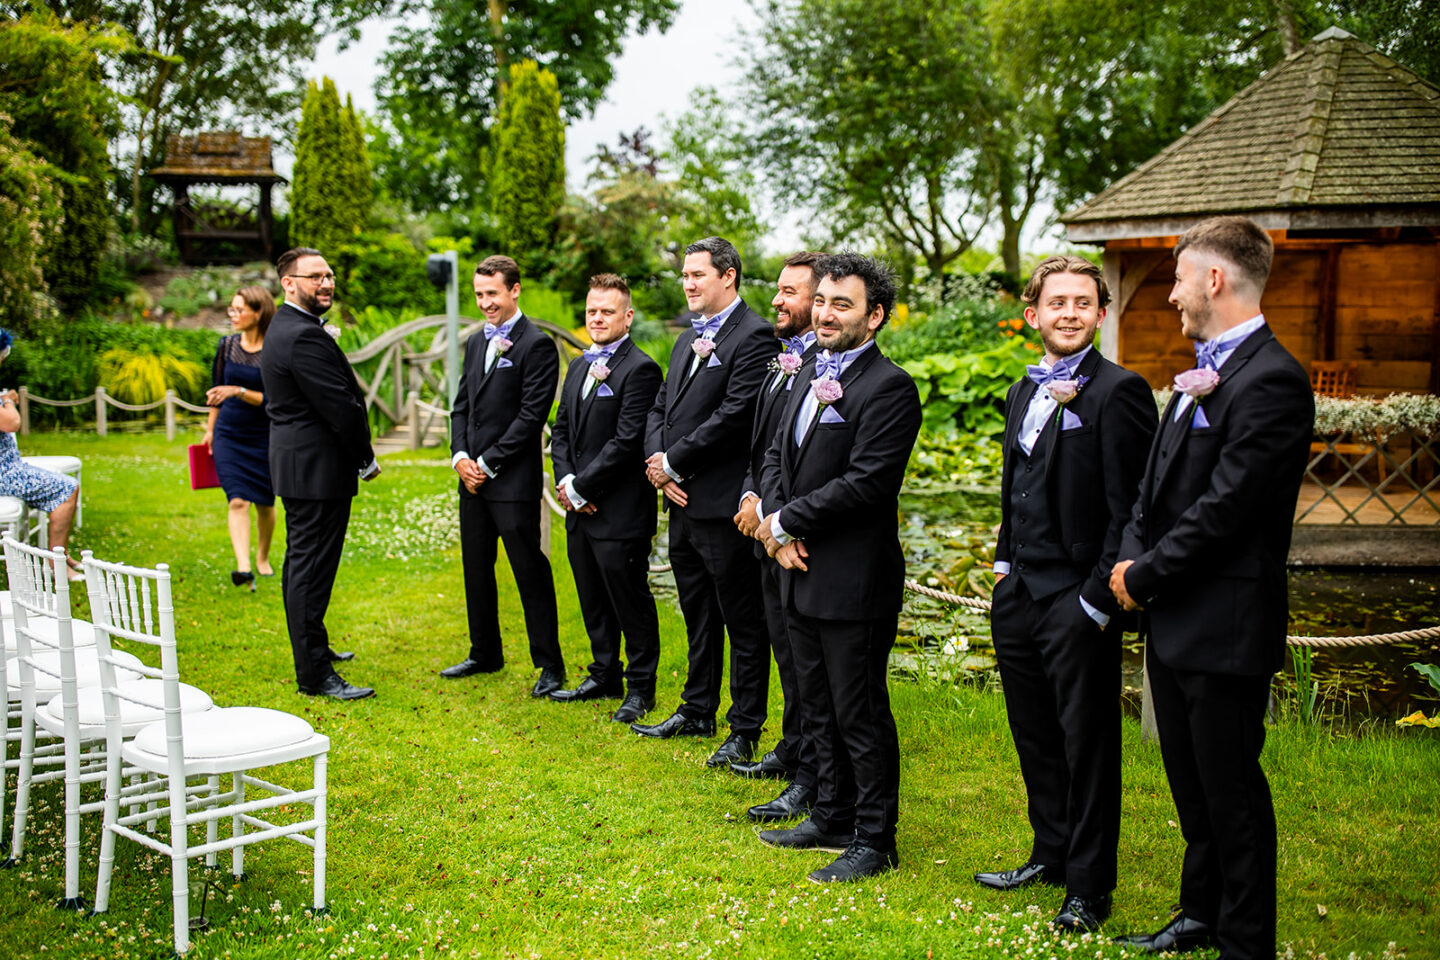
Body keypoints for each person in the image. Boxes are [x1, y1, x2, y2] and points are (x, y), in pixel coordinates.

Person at [1109, 217, 1313, 960]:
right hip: (1173, 616)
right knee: (1191, 790)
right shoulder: (1201, 368)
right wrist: (1132, 558)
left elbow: (1229, 509)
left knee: (1230, 793)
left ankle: (1246, 940)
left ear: (1215, 280)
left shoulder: (1273, 380)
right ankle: (1199, 914)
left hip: (1225, 623)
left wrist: (1144, 573)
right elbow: (1155, 489)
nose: (1171, 296)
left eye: (1179, 279)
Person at [977, 256, 1156, 931]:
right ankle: (1048, 852)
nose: (1070, 313)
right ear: (1034, 315)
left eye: (1084, 302)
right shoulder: (1023, 391)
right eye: (1058, 303)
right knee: (1035, 735)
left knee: (1088, 746)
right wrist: (999, 565)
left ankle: (1089, 886)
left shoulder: (1120, 391)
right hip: (1018, 590)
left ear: (1101, 315)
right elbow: (1013, 484)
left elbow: (1131, 510)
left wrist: (1094, 602)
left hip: (1076, 597)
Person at [753, 253, 922, 884]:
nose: (824, 313)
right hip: (795, 565)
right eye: (821, 300)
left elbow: (867, 484)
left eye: (841, 304)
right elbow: (775, 453)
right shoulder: (805, 373)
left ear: (875, 316)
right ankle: (830, 813)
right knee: (816, 702)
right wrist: (776, 526)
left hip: (853, 578)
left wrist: (785, 523)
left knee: (860, 711)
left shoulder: (890, 388)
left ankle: (876, 839)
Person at [632, 237, 775, 769]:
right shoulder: (685, 338)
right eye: (684, 276)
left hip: (720, 504)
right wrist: (655, 460)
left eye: (697, 275)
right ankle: (696, 709)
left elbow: (736, 415)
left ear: (729, 276)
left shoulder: (754, 335)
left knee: (742, 620)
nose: (688, 284)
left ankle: (744, 728)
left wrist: (673, 462)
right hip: (681, 502)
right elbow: (660, 405)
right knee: (696, 612)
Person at [443, 255, 564, 698]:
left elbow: (532, 417)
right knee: (475, 568)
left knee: (528, 569)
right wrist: (459, 457)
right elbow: (461, 406)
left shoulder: (537, 344)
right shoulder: (475, 343)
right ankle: (485, 652)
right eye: (478, 294)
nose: (485, 303)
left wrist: (488, 463)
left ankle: (550, 664)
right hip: (470, 480)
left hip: (511, 482)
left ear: (515, 290)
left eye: (492, 293)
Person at [261, 247, 378, 701]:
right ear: (288, 283)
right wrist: (365, 457)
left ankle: (316, 647)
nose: (326, 283)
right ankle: (313, 673)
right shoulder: (301, 335)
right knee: (310, 567)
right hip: (314, 467)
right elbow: (340, 407)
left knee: (306, 564)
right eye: (315, 277)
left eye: (329, 275)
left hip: (305, 465)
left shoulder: (295, 327)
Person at [732, 252, 824, 823]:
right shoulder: (784, 360)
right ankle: (795, 747)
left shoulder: (823, 369)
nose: (778, 301)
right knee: (784, 651)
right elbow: (763, 443)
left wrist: (781, 518)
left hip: (797, 534)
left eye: (791, 293)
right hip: (768, 524)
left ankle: (811, 770)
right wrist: (752, 498)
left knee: (804, 659)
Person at [548, 274, 663, 723]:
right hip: (580, 509)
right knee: (591, 595)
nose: (597, 318)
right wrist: (567, 482)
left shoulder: (642, 369)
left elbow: (627, 441)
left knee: (629, 599)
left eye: (607, 311)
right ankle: (603, 673)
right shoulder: (578, 365)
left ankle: (640, 687)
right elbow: (561, 432)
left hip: (620, 511)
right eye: (592, 311)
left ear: (627, 316)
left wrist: (582, 488)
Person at [203, 286, 278, 591]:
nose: (233, 316)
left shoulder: (274, 350)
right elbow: (217, 391)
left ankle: (262, 557)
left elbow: (276, 400)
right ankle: (243, 567)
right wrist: (210, 429)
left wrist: (239, 391)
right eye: (231, 310)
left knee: (265, 503)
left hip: (265, 434)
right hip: (229, 434)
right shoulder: (227, 346)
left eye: (239, 310)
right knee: (237, 500)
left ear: (258, 312)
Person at [0, 331, 82, 580]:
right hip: (4, 473)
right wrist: (9, 401)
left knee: (59, 483)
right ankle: (57, 564)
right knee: (66, 488)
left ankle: (61, 556)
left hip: (9, 467)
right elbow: (11, 423)